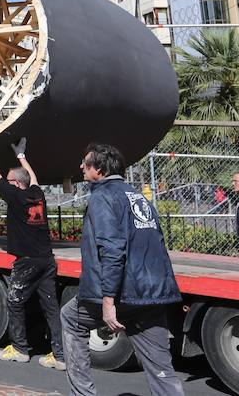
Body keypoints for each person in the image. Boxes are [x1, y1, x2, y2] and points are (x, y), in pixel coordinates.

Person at [63, 142, 183, 396]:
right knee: (161, 366)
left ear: (100, 169)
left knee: (71, 319)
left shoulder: (102, 197)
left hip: (121, 294)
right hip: (150, 294)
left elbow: (112, 249)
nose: (81, 167)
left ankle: (82, 393)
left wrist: (108, 301)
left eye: (86, 163)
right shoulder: (137, 196)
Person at [0, 133, 64, 370]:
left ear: (15, 184)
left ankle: (19, 349)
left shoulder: (14, 196)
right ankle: (60, 356)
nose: (5, 182)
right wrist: (22, 156)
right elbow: (33, 177)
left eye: (9, 180)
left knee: (15, 301)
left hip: (27, 262)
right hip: (47, 260)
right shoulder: (38, 194)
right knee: (51, 307)